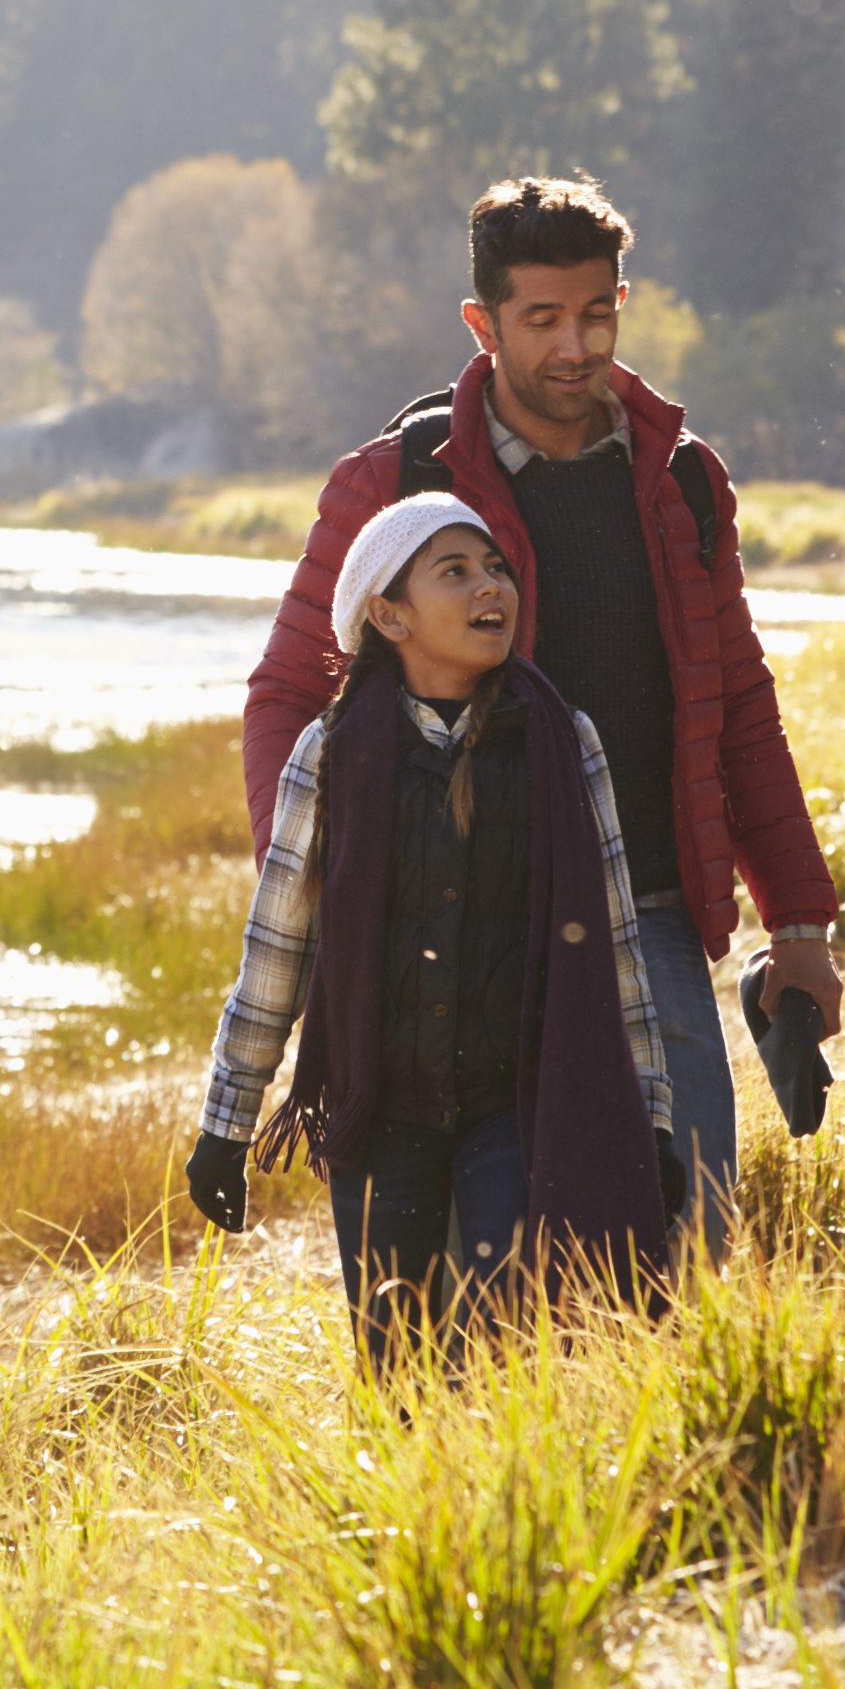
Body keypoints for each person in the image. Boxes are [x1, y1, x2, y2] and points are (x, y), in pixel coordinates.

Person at [244, 177, 839, 1232]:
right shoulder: (394, 481)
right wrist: (327, 892)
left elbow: (737, 699)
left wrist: (796, 922)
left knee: (684, 1229)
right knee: (457, 1268)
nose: (575, 344)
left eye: (597, 312)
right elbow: (292, 691)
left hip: (640, 913)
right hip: (447, 923)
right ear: (482, 324)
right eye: (542, 319)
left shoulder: (683, 479)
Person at [184, 493, 678, 1360]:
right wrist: (227, 1125)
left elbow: (614, 947)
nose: (491, 588)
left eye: (496, 569)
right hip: (382, 1111)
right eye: (455, 572)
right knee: (393, 1365)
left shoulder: (565, 740)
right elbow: (278, 949)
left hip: (517, 1104)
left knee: (504, 1349)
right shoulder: (331, 750)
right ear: (389, 613)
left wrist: (652, 1120)